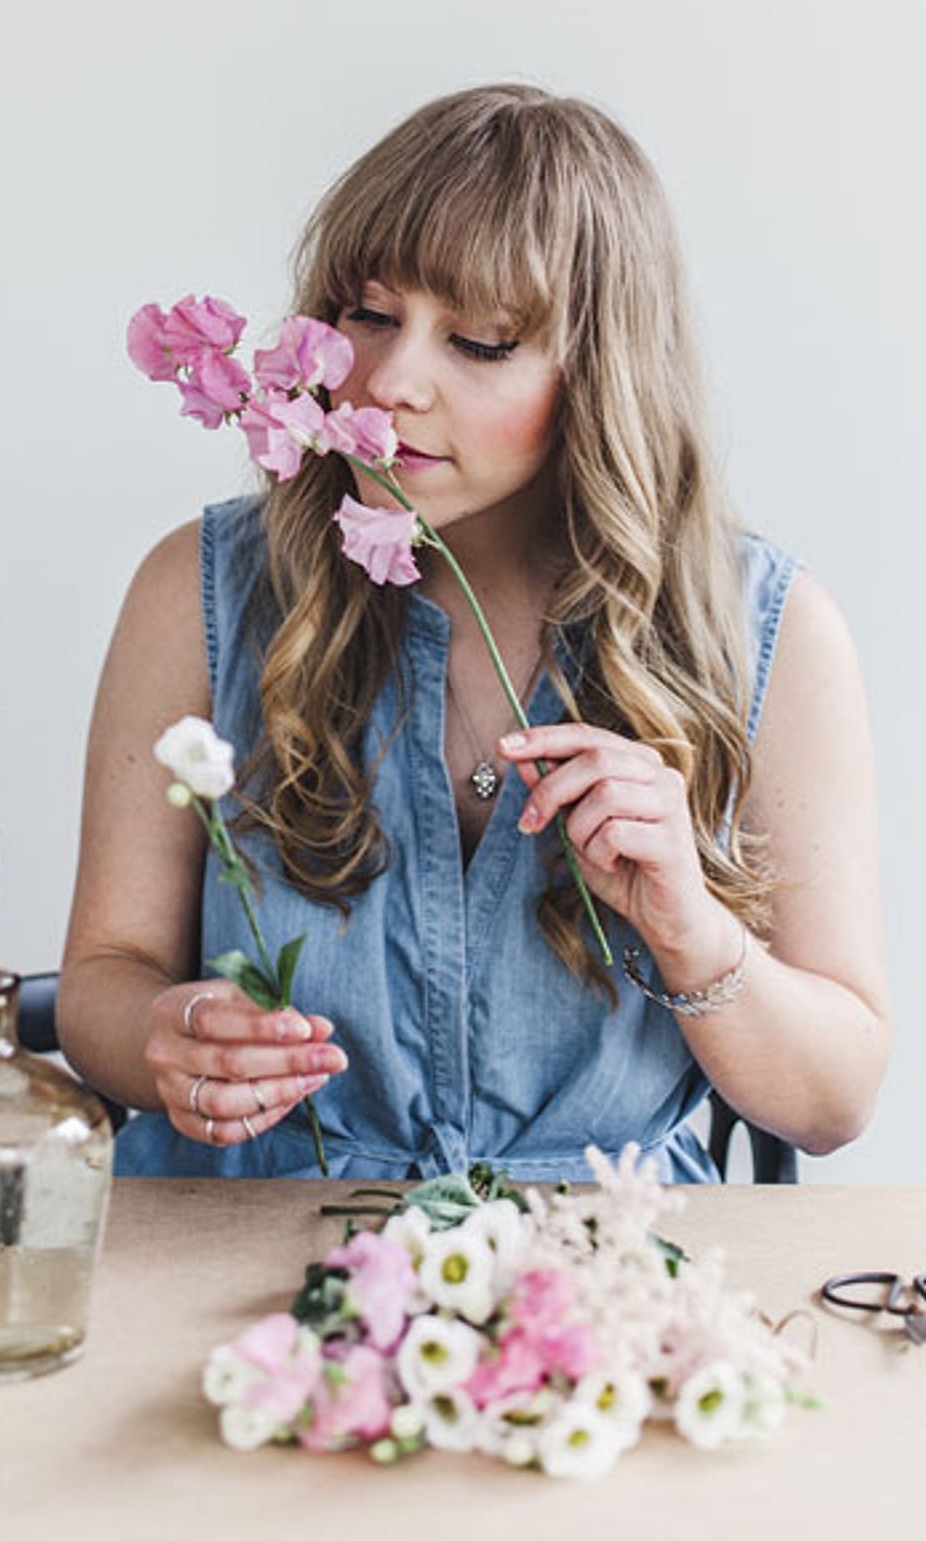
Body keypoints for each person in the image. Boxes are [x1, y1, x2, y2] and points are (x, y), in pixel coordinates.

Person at [56, 83, 889, 1182]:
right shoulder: (199, 590)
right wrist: (164, 1037)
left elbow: (834, 1100)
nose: (395, 383)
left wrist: (696, 932)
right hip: (238, 1261)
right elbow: (104, 979)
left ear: (599, 373)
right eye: (371, 316)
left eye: (483, 342)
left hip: (596, 1281)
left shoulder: (769, 633)